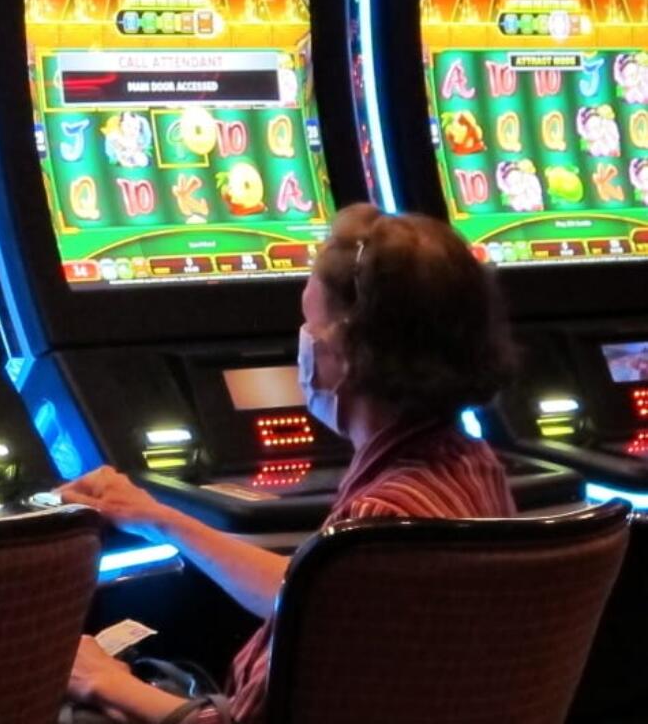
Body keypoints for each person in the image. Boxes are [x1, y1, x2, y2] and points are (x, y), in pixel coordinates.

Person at [61, 204, 518, 723]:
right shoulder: (470, 467)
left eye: (309, 323)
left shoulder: (378, 526)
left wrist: (102, 680)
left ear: (345, 351)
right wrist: (161, 518)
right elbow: (309, 595)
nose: (300, 342)